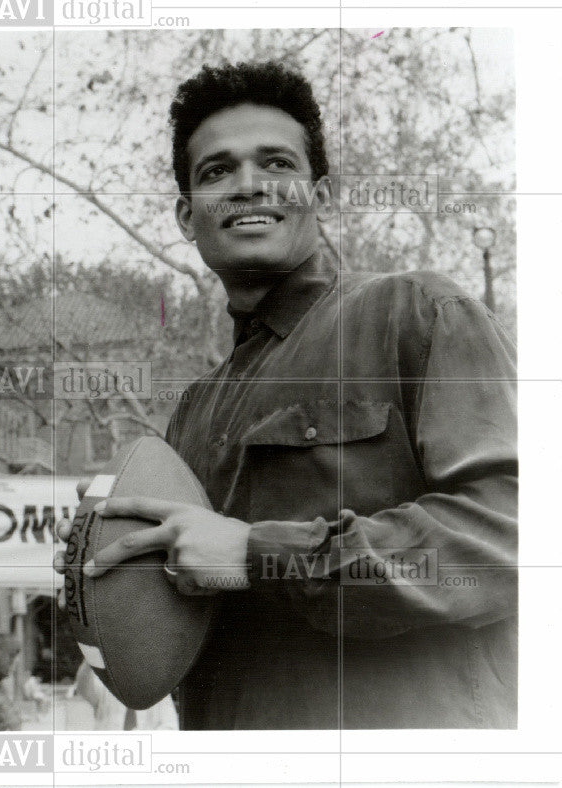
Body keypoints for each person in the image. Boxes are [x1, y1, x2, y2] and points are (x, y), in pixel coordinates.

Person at [56, 62, 516, 729]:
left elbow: (510, 538)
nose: (248, 185)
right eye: (216, 171)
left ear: (320, 196)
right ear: (188, 216)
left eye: (275, 163)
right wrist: (99, 563)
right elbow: (176, 611)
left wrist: (257, 554)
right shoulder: (194, 409)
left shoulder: (415, 313)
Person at [72, 661, 178, 731]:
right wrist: (90, 657)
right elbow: (83, 690)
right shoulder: (104, 682)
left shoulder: (157, 687)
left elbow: (171, 727)